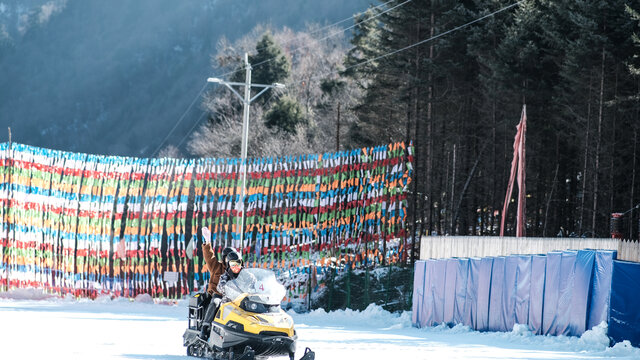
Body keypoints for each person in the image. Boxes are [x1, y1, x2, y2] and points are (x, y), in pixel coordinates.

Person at [199, 236, 240, 340]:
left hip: (235, 298)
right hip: (218, 294)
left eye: (234, 259)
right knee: (215, 302)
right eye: (228, 258)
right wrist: (207, 242)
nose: (230, 261)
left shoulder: (238, 270)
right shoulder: (217, 267)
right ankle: (205, 326)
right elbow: (209, 257)